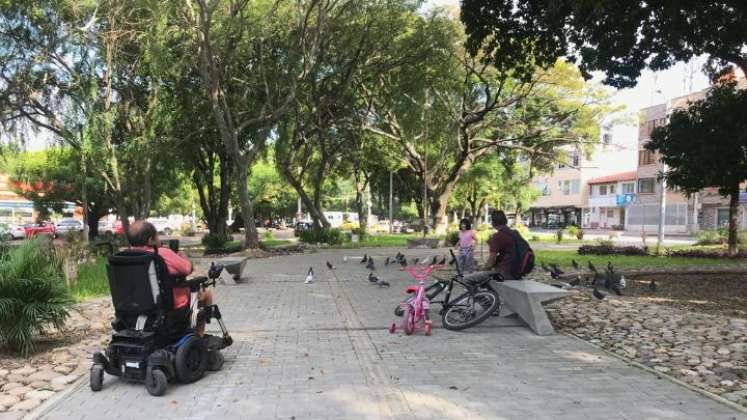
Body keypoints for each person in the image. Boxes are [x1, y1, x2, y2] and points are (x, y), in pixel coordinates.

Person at [126, 220, 213, 336]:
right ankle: (199, 336)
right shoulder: (162, 253)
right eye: (157, 236)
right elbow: (188, 269)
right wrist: (183, 257)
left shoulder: (126, 257)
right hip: (170, 306)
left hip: (136, 307)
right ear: (150, 240)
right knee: (207, 292)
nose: (159, 239)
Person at [462, 209, 516, 284]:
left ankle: (482, 295)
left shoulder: (498, 236)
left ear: (493, 222)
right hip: (516, 272)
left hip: (505, 273)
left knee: (466, 279)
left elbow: (490, 263)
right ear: (505, 221)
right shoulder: (514, 233)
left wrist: (482, 269)